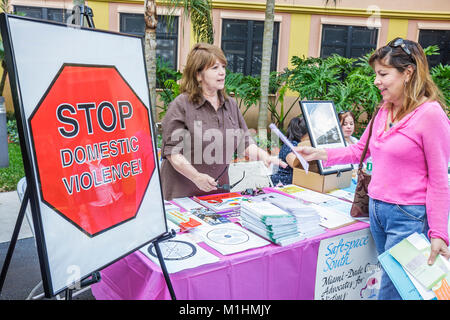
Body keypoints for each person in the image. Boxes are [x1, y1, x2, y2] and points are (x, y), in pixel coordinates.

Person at [295, 38, 450, 300]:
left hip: (407, 216)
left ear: (408, 73)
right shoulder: (384, 110)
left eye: (383, 74)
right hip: (376, 210)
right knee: (393, 286)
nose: (376, 81)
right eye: (376, 74)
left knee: (392, 291)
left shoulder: (430, 115)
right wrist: (319, 153)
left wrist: (439, 233)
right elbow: (359, 151)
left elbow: (439, 180)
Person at [160, 43, 286, 200]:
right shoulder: (181, 105)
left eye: (223, 67)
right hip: (182, 193)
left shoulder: (230, 104)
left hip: (218, 192)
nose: (222, 73)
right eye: (214, 68)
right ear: (198, 75)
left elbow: (244, 142)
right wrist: (197, 177)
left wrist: (264, 157)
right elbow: (173, 153)